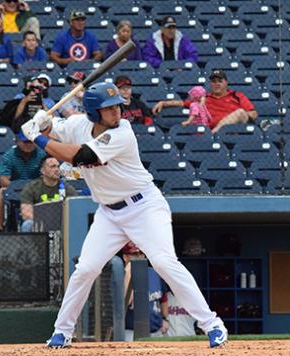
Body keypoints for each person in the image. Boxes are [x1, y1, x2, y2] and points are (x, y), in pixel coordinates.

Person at [20, 82, 228, 349]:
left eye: (118, 105)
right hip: (109, 213)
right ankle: (62, 331)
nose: (117, 110)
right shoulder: (78, 126)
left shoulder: (122, 133)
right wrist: (42, 121)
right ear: (94, 112)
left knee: (165, 263)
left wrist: (37, 137)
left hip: (144, 207)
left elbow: (81, 156)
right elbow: (55, 129)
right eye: (109, 107)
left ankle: (212, 324)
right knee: (85, 269)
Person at [153, 70, 258, 133]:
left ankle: (214, 133)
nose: (216, 84)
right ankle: (214, 134)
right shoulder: (204, 98)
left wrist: (231, 117)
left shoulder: (237, 95)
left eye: (219, 81)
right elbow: (182, 103)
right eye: (213, 81)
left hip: (235, 130)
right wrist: (163, 103)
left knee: (239, 112)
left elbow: (253, 114)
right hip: (210, 129)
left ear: (226, 83)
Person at [0, 133, 47, 232]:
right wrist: (16, 187)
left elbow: (46, 177)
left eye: (31, 142)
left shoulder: (42, 155)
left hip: (36, 189)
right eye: (25, 142)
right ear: (17, 141)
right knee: (1, 192)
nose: (28, 144)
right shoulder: (9, 155)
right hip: (16, 190)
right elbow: (3, 180)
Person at [122, 242, 167, 341]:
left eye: (141, 254)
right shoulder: (120, 275)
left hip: (156, 331)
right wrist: (129, 273)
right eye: (134, 254)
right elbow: (126, 301)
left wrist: (165, 319)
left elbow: (163, 297)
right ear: (125, 257)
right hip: (131, 332)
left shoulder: (154, 273)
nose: (138, 257)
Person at [19, 157, 77, 232]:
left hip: (61, 222)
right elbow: (26, 213)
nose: (57, 169)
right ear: (43, 171)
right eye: (53, 167)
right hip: (40, 222)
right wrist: (46, 222)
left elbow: (75, 210)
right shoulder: (32, 187)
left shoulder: (67, 188)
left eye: (58, 166)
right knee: (27, 225)